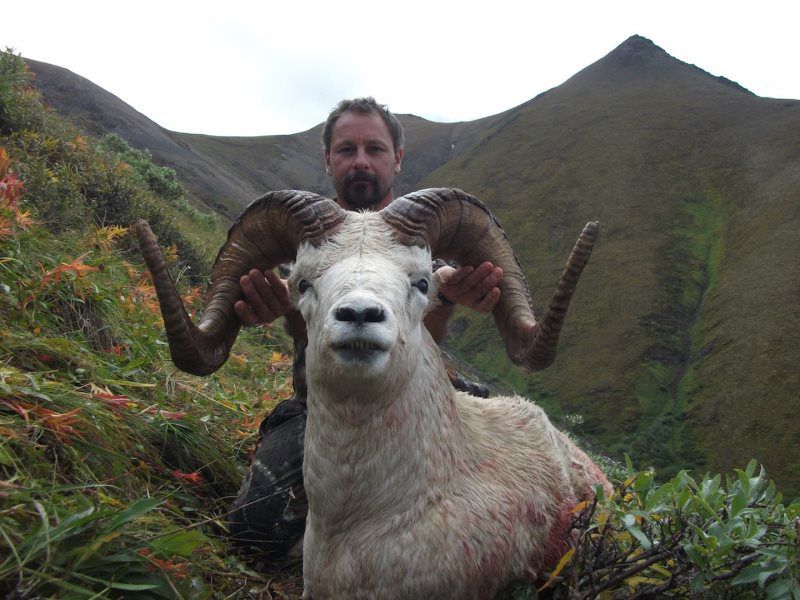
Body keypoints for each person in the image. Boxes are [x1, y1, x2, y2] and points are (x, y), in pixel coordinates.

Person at [227, 97, 503, 556]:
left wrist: (446, 296)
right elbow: (303, 328)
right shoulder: (304, 241)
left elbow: (421, 339)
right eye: (346, 149)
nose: (360, 161)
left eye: (374, 149)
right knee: (255, 528)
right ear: (328, 159)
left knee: (487, 507)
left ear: (396, 158)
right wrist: (275, 305)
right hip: (324, 408)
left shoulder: (421, 241)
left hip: (418, 400)